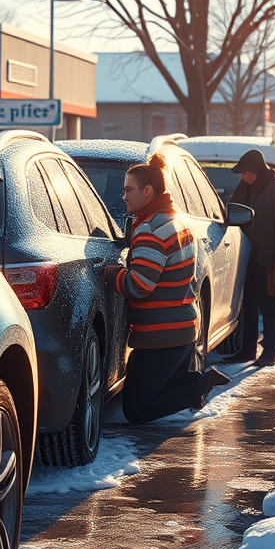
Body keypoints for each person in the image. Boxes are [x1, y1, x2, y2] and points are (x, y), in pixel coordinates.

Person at [104, 153, 228, 424]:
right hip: (179, 329)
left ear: (147, 192)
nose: (123, 196)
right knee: (149, 392)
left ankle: (200, 385)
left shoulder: (152, 230)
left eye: (128, 190)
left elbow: (139, 286)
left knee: (135, 411)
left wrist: (109, 273)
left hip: (162, 336)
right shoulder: (176, 222)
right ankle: (197, 383)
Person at [222, 149, 275, 366]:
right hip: (246, 257)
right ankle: (247, 349)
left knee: (269, 304)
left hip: (269, 258)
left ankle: (271, 350)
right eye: (242, 175)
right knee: (248, 305)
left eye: (246, 173)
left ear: (256, 170)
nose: (244, 177)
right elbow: (233, 211)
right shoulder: (244, 188)